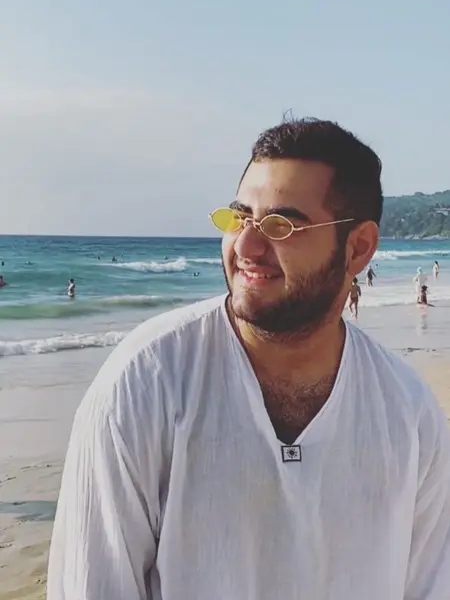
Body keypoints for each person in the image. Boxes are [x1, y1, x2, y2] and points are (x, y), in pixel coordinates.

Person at [47, 118, 450, 600]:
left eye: (281, 225)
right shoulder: (146, 383)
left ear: (358, 248)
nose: (246, 246)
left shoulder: (407, 413)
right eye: (239, 218)